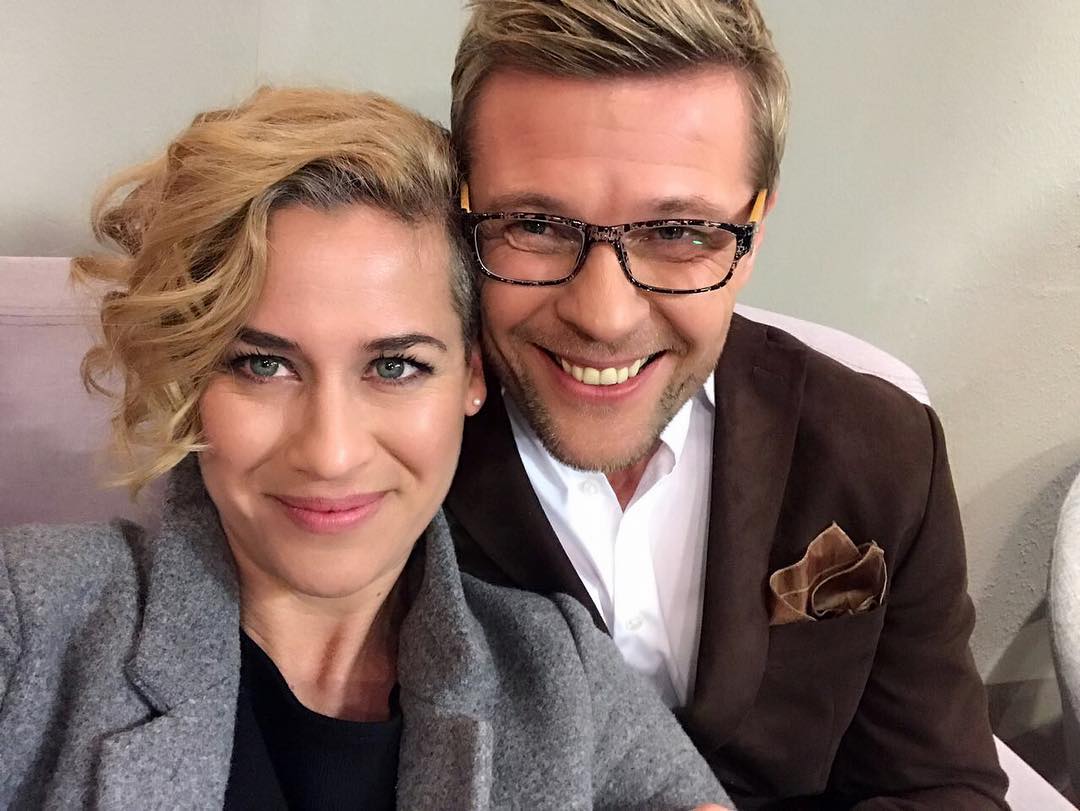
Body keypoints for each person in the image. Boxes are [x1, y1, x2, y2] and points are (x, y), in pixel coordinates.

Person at [0, 87, 731, 810]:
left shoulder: (562, 678)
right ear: (191, 377)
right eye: (263, 364)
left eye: (395, 367)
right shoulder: (32, 616)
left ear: (472, 374)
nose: (331, 453)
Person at [444, 1, 1009, 807]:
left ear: (755, 233)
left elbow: (940, 787)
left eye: (678, 232)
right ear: (464, 212)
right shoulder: (384, 462)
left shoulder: (881, 450)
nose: (603, 316)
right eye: (535, 223)